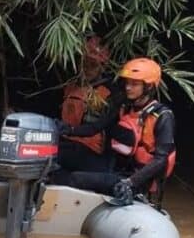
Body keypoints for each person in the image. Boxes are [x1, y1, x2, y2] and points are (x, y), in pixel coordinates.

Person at [56, 57, 177, 205]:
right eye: (127, 83)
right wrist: (67, 129)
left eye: (134, 84)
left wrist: (130, 182)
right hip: (115, 169)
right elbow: (95, 128)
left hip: (137, 180)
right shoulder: (124, 108)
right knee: (61, 154)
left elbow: (161, 159)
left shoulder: (163, 116)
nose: (128, 88)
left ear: (149, 86)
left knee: (76, 178)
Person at [57, 36, 123, 173]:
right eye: (84, 63)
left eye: (92, 65)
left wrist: (70, 130)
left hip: (92, 151)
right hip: (67, 142)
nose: (87, 68)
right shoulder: (70, 86)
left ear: (103, 67)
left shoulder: (108, 93)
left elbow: (94, 128)